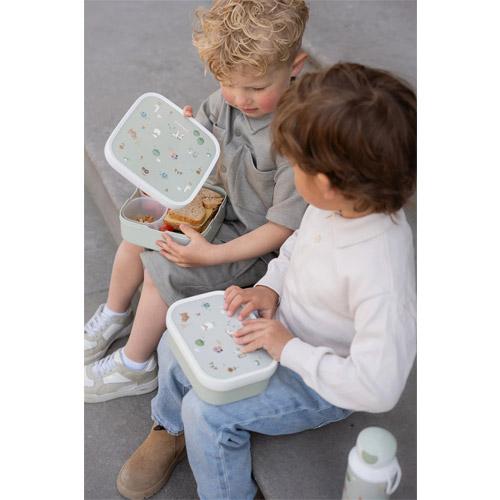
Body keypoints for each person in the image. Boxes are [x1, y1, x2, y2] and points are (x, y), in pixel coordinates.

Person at [116, 62, 417, 500]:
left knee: (207, 413)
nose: (288, 173)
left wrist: (287, 348)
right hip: (280, 327)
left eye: (294, 165)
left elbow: (377, 387)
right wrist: (269, 288)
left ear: (328, 183)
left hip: (317, 381)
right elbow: (295, 248)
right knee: (173, 345)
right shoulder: (339, 207)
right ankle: (169, 428)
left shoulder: (379, 273)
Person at [84, 0, 309, 402]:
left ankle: (136, 366)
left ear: (295, 67)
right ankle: (115, 315)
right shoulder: (225, 102)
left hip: (252, 245)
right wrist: (183, 140)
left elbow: (282, 229)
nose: (240, 98)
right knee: (139, 236)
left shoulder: (295, 138)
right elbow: (198, 153)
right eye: (227, 83)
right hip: (216, 208)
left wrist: (212, 256)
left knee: (162, 270)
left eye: (257, 88)